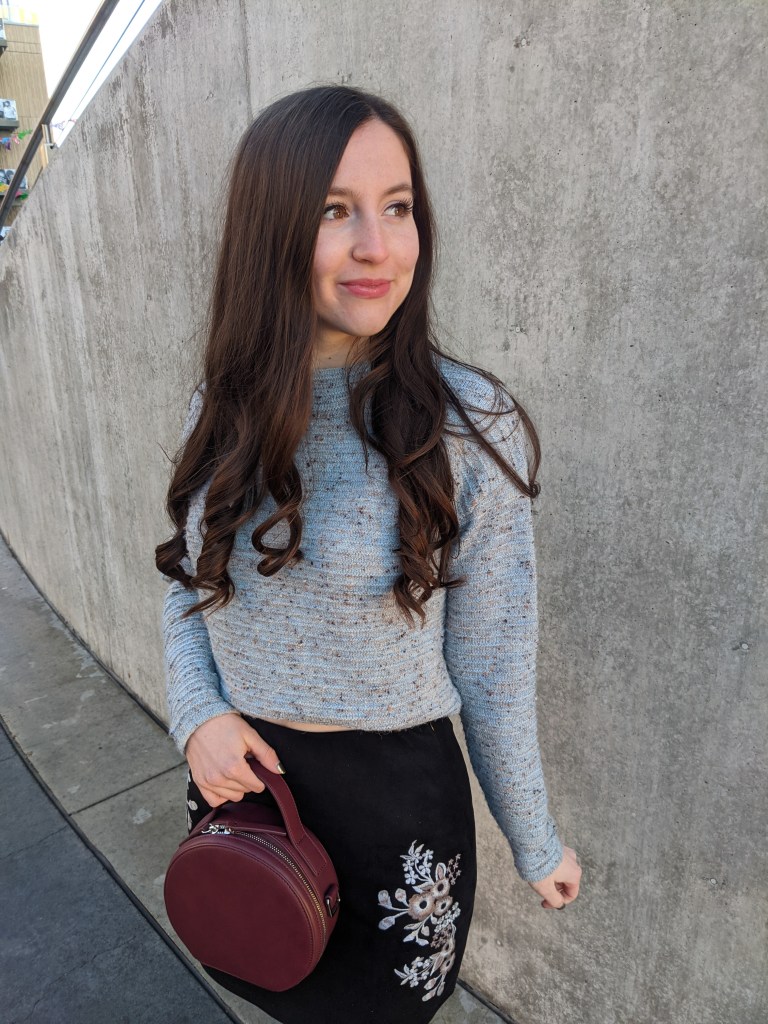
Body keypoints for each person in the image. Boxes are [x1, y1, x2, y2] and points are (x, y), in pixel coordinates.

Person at [156, 83, 581, 1024]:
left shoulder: (468, 428)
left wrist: (534, 838)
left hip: (398, 822)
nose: (378, 247)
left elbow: (495, 665)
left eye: (398, 208)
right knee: (264, 982)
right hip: (248, 796)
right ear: (271, 230)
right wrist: (197, 715)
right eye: (333, 212)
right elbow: (190, 589)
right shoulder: (222, 409)